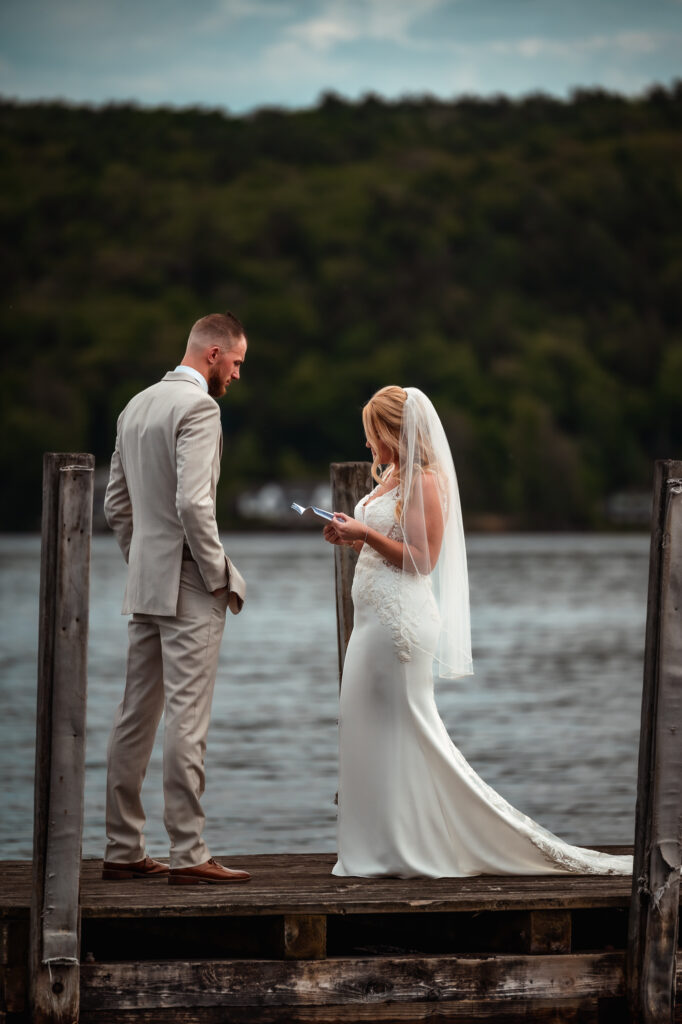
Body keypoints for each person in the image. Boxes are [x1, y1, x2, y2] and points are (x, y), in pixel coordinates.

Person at [323, 385, 632, 878]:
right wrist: (351, 537)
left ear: (390, 431)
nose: (367, 445)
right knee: (369, 726)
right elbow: (386, 549)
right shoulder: (390, 481)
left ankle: (423, 844)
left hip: (400, 622)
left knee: (411, 726)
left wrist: (364, 534)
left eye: (371, 434)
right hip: (371, 623)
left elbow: (423, 561)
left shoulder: (424, 481)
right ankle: (380, 844)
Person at [102, 312, 250, 885]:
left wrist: (144, 558)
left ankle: (122, 848)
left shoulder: (134, 406)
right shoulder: (200, 408)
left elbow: (116, 504)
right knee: (187, 718)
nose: (236, 375)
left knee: (135, 715)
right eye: (236, 363)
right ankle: (189, 854)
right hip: (191, 580)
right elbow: (194, 505)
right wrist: (215, 575)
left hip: (146, 578)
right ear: (212, 353)